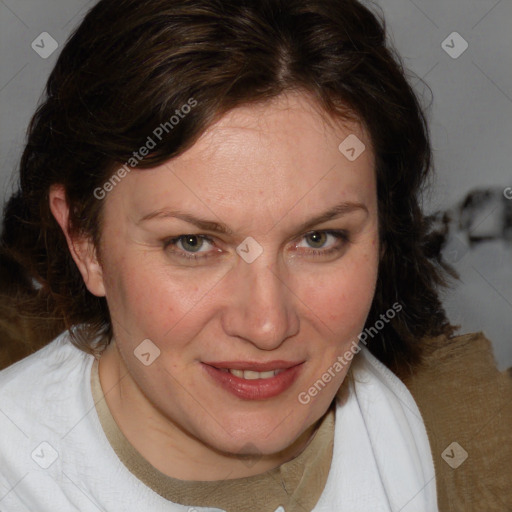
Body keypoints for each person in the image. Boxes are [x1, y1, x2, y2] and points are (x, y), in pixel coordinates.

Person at [0, 0, 510, 510]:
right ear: (84, 242)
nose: (267, 325)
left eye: (319, 238)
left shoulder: (452, 432)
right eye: (193, 244)